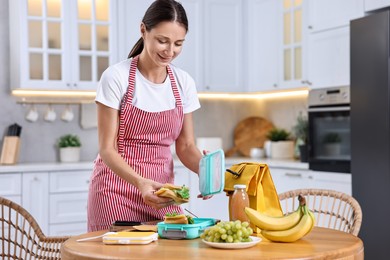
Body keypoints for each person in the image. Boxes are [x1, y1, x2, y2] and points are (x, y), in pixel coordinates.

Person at [87, 0, 205, 232]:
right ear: (143, 30)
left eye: (178, 43)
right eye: (162, 41)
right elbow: (107, 148)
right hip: (115, 191)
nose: (170, 51)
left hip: (163, 194)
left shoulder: (183, 83)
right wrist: (140, 182)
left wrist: (209, 172)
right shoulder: (116, 77)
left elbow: (187, 146)